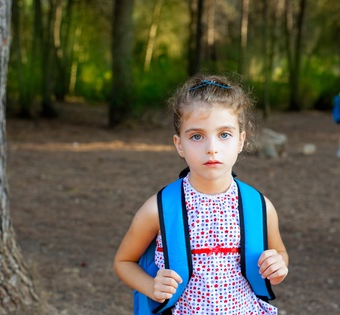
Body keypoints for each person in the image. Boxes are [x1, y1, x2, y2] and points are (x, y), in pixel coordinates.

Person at [114, 74, 289, 314]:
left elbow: (280, 253)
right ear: (179, 145)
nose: (211, 148)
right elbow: (124, 262)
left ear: (241, 140)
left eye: (224, 134)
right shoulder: (159, 210)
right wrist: (151, 285)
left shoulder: (259, 207)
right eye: (197, 136)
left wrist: (278, 266)